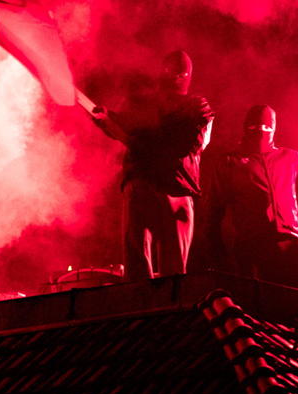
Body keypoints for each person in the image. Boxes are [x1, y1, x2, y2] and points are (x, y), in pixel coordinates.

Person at [201, 104, 298, 300]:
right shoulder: (230, 163)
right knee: (258, 309)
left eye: (267, 127)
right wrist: (219, 258)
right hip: (252, 246)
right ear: (246, 126)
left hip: (289, 244)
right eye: (255, 126)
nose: (261, 130)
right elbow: (213, 214)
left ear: (274, 128)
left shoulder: (288, 158)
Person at [90, 50, 214, 279]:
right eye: (165, 69)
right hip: (148, 184)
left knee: (171, 269)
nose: (167, 75)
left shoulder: (196, 105)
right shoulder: (148, 104)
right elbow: (127, 124)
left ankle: (167, 309)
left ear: (184, 75)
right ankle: (145, 310)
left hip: (173, 187)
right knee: (141, 264)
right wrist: (107, 118)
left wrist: (130, 136)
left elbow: (189, 144)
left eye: (174, 71)